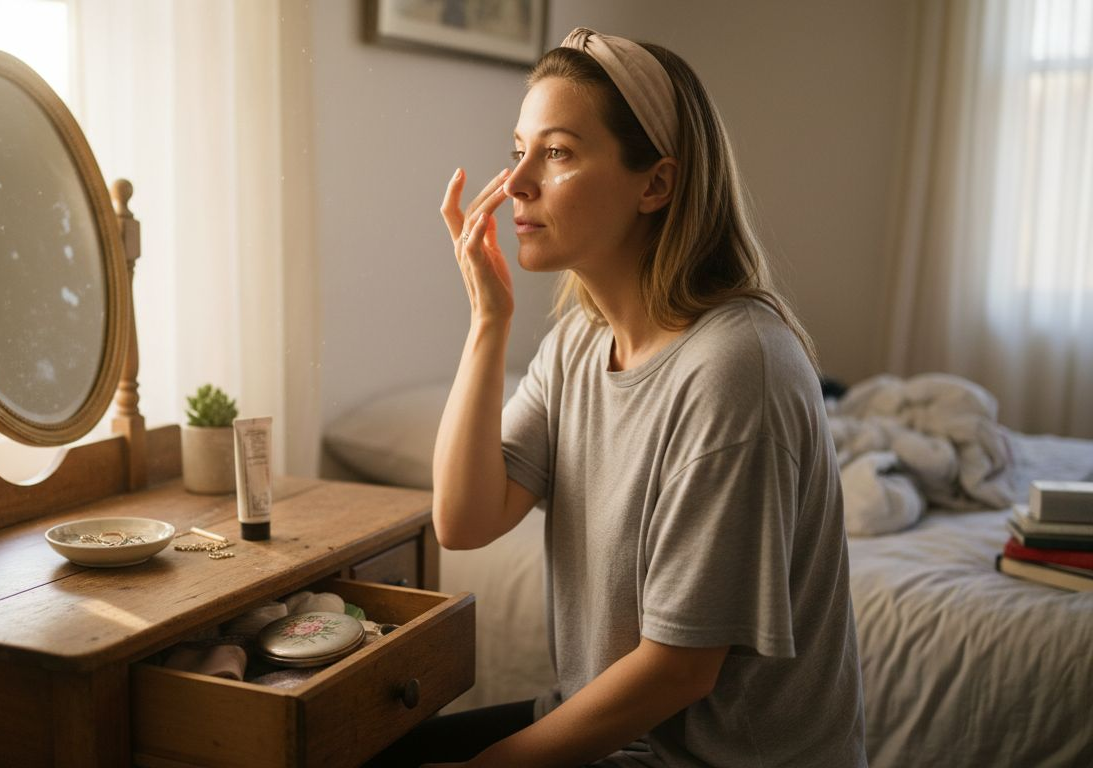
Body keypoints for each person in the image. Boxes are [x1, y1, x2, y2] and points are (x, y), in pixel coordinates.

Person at [366, 27, 866, 768]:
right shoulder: (577, 343)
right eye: (517, 152)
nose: (516, 185)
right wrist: (487, 324)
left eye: (558, 152)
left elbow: (679, 669)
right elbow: (464, 520)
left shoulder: (736, 368)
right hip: (625, 740)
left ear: (655, 184)